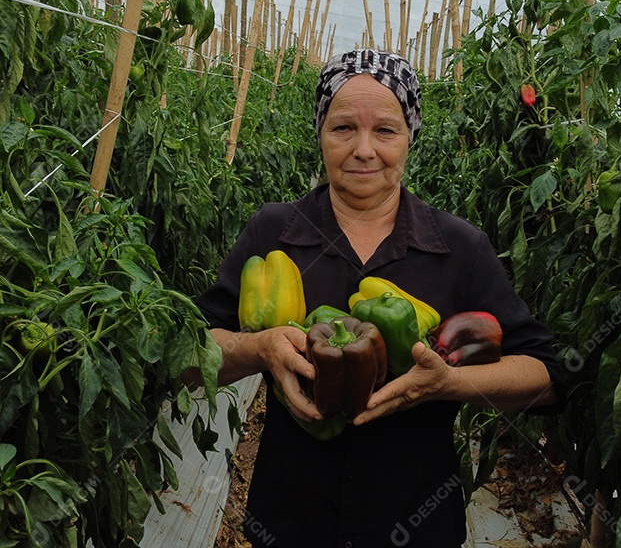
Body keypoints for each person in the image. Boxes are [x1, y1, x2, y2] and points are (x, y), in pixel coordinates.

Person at [196, 49, 564, 548]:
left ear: (410, 136)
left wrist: (448, 384)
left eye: (386, 131)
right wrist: (255, 348)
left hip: (416, 521)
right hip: (291, 519)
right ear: (320, 133)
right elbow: (191, 354)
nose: (363, 150)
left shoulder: (460, 248)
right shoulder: (273, 231)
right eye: (343, 128)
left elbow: (546, 375)